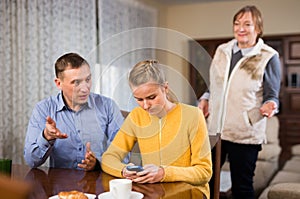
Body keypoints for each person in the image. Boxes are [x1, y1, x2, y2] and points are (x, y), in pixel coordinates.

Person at [198, 5, 281, 199]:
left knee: (242, 187)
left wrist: (271, 105)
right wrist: (206, 98)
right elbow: (216, 85)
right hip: (215, 129)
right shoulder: (222, 50)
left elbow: (272, 95)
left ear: (258, 28)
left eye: (247, 24)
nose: (240, 28)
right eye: (237, 24)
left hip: (244, 133)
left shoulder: (268, 56)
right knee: (205, 181)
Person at [101, 60, 212, 198]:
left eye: (151, 97)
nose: (146, 105)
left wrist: (164, 173)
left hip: (190, 193)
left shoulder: (193, 115)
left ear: (165, 88)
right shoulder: (136, 116)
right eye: (139, 99)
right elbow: (108, 158)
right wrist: (124, 170)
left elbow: (204, 172)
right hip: (153, 193)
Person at [24, 52, 124, 171]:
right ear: (58, 83)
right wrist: (46, 137)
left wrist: (98, 164)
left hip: (100, 185)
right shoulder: (43, 109)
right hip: (60, 186)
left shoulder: (108, 106)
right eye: (76, 82)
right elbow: (32, 161)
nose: (85, 88)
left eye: (88, 79)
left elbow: (123, 155)